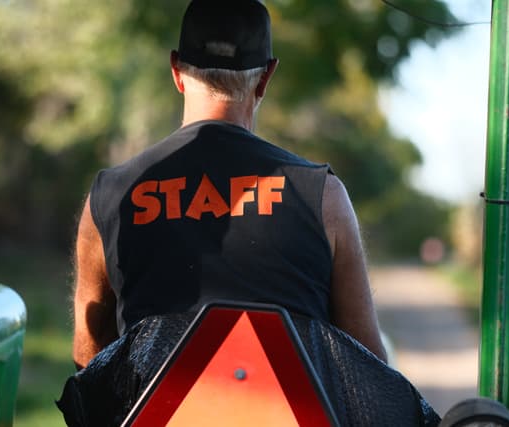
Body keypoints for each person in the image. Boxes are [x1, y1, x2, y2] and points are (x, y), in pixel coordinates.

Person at [71, 0, 387, 371]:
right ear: (266, 78)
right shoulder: (323, 196)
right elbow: (370, 366)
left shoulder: (110, 196)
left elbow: (88, 361)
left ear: (176, 71)